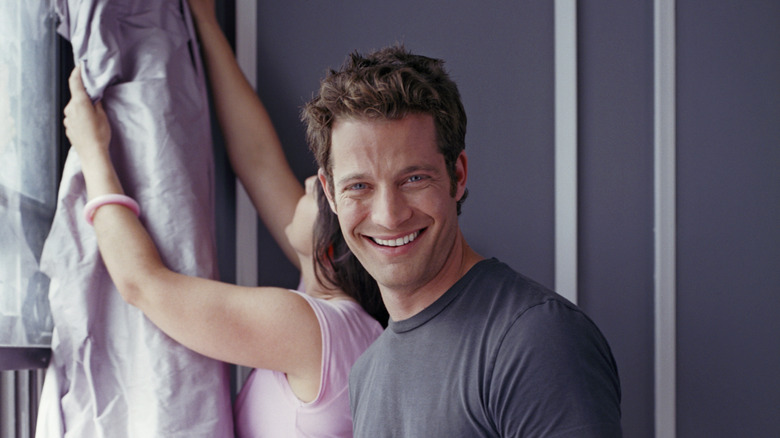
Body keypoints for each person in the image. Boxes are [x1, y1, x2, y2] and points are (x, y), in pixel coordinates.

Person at [62, 4, 387, 437]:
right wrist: (207, 23)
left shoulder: (310, 329)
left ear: (328, 248)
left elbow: (143, 284)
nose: (310, 182)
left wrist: (94, 152)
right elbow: (258, 161)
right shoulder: (352, 324)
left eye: (319, 192)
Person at [302, 46, 623, 437]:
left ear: (458, 174)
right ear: (331, 194)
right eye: (359, 186)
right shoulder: (366, 373)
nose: (389, 215)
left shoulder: (536, 340)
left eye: (414, 179)